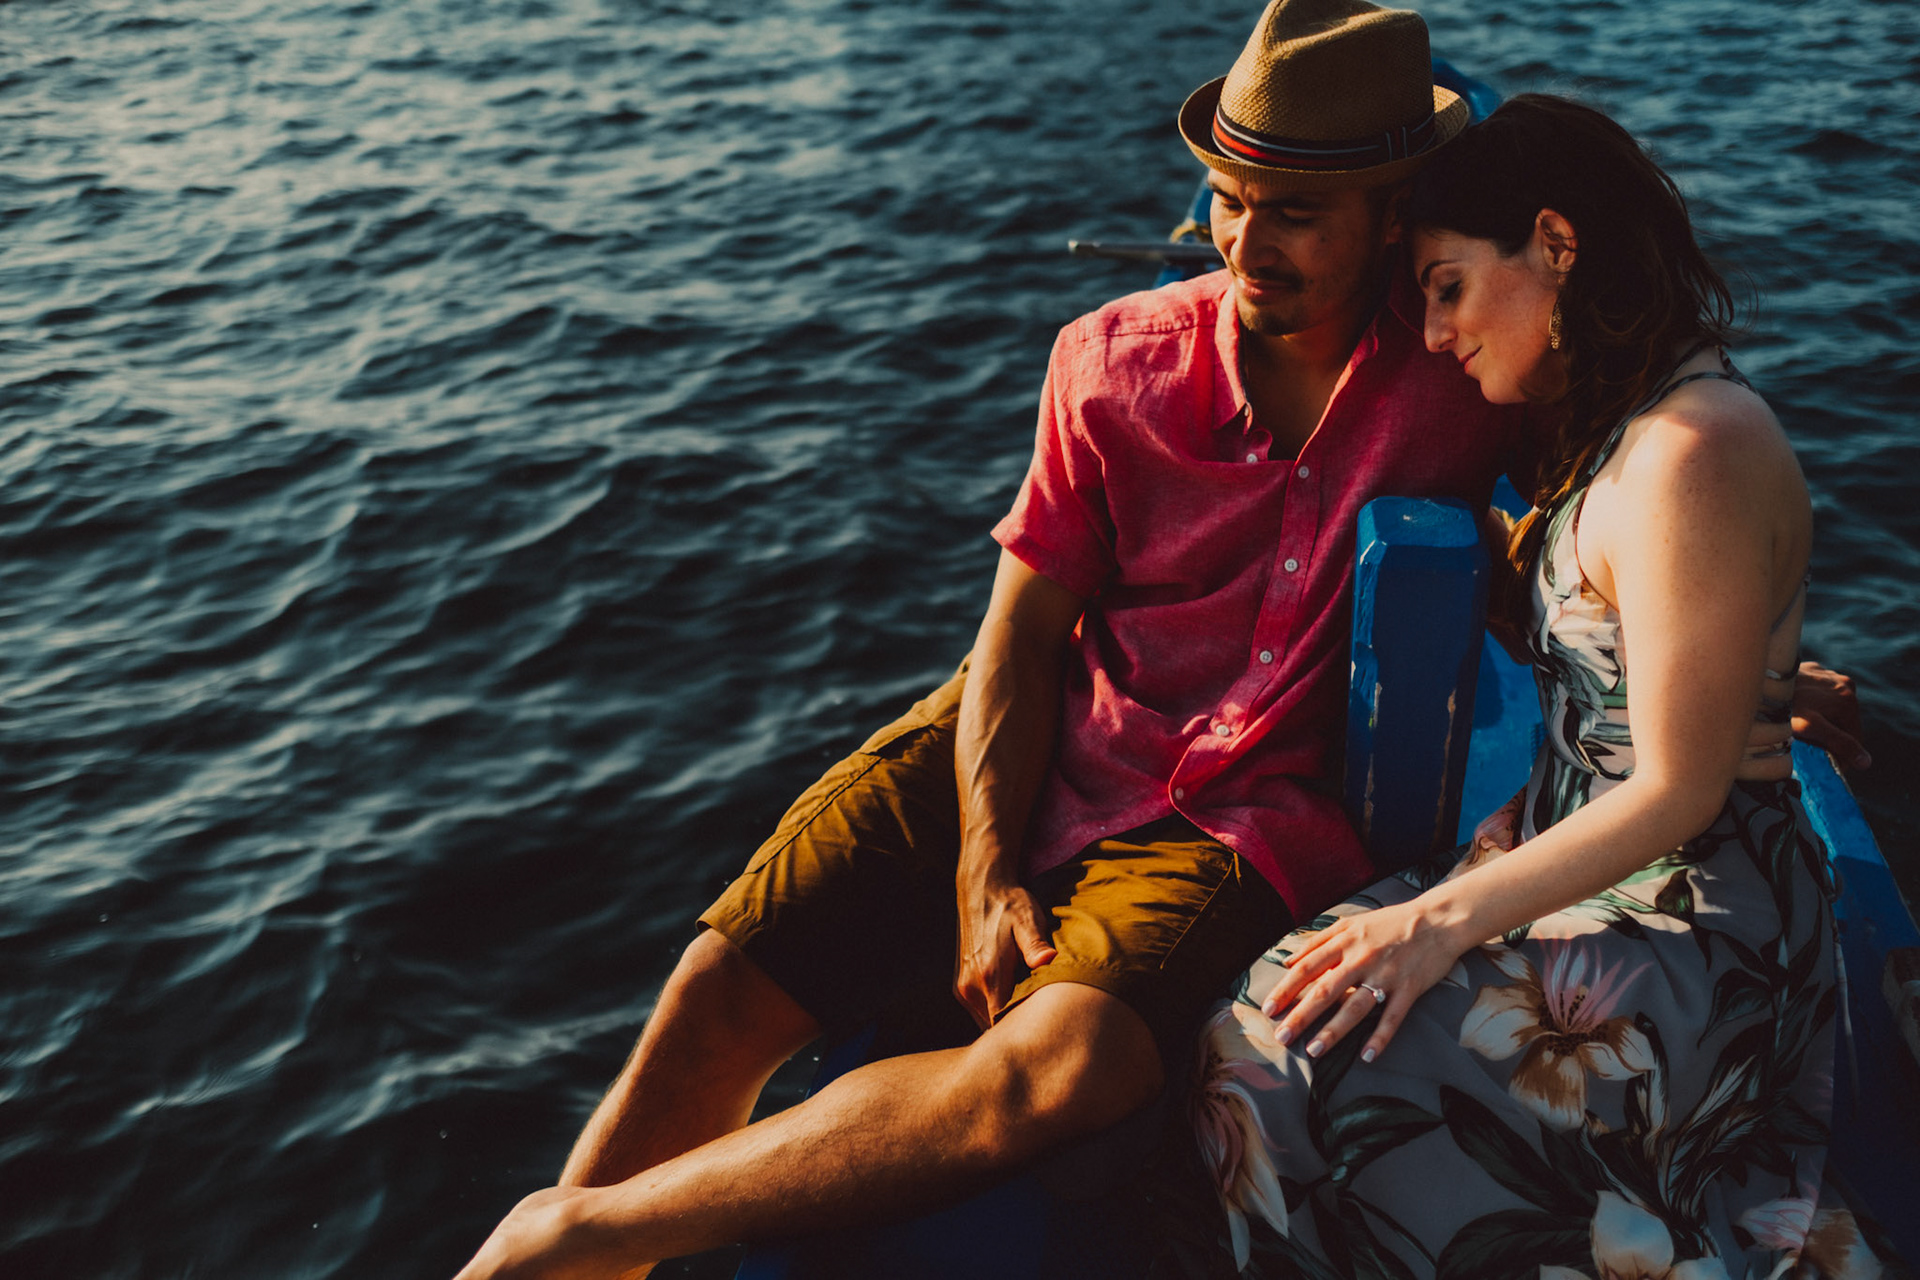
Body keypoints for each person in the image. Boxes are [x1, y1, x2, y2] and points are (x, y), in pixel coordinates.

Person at [452, 4, 1865, 1275]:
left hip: (1237, 812)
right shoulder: (1108, 360)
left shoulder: (1459, 375)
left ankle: (594, 1233)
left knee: (1060, 1070)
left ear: (1390, 215)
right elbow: (1019, 629)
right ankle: (555, 1251)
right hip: (1039, 729)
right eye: (1229, 199)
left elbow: (1583, 546)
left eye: (1299, 213)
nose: (1247, 245)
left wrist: (1726, 669)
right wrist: (985, 864)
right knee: (719, 982)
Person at [1187, 95, 1884, 1279]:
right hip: (1607, 884)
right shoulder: (1622, 432)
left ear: (1556, 246)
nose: (1438, 330)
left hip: (1701, 939)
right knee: (1266, 1017)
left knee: (1282, 1068)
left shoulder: (1689, 452)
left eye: (1448, 286)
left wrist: (1435, 918)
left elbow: (1674, 788)